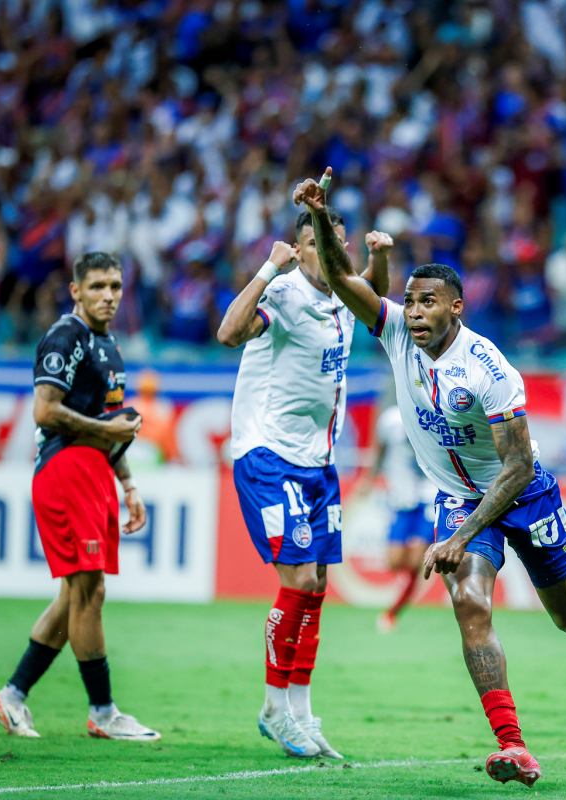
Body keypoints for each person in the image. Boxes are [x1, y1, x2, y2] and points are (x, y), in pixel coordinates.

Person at [295, 167, 566, 788]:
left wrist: (462, 534)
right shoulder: (393, 335)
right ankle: (514, 745)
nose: (412, 312)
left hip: (523, 493)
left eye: (427, 302)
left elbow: (517, 467)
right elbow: (337, 277)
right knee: (469, 604)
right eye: (409, 301)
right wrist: (322, 213)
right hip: (455, 496)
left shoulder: (490, 368)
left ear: (456, 309)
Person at [216, 208, 391, 760]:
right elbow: (227, 333)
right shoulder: (285, 292)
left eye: (340, 245)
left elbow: (372, 300)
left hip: (319, 461)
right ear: (299, 248)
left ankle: (301, 710)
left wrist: (378, 258)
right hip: (269, 454)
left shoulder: (341, 290)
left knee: (316, 584)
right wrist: (267, 270)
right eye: (322, 245)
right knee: (298, 578)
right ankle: (273, 707)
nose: (334, 255)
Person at [0, 252, 159, 741]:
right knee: (89, 592)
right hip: (65, 468)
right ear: (76, 291)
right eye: (99, 286)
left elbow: (111, 431)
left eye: (116, 286)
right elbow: (45, 411)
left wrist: (128, 485)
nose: (109, 295)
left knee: (76, 595)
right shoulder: (67, 337)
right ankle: (102, 713)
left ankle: (12, 696)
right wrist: (104, 427)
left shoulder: (109, 347)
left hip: (96, 472)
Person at [362, 403, 438, 633]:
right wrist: (369, 479)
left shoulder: (434, 415)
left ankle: (393, 612)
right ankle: (402, 595)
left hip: (429, 495)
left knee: (417, 560)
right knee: (394, 560)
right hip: (401, 497)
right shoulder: (390, 419)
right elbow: (380, 452)